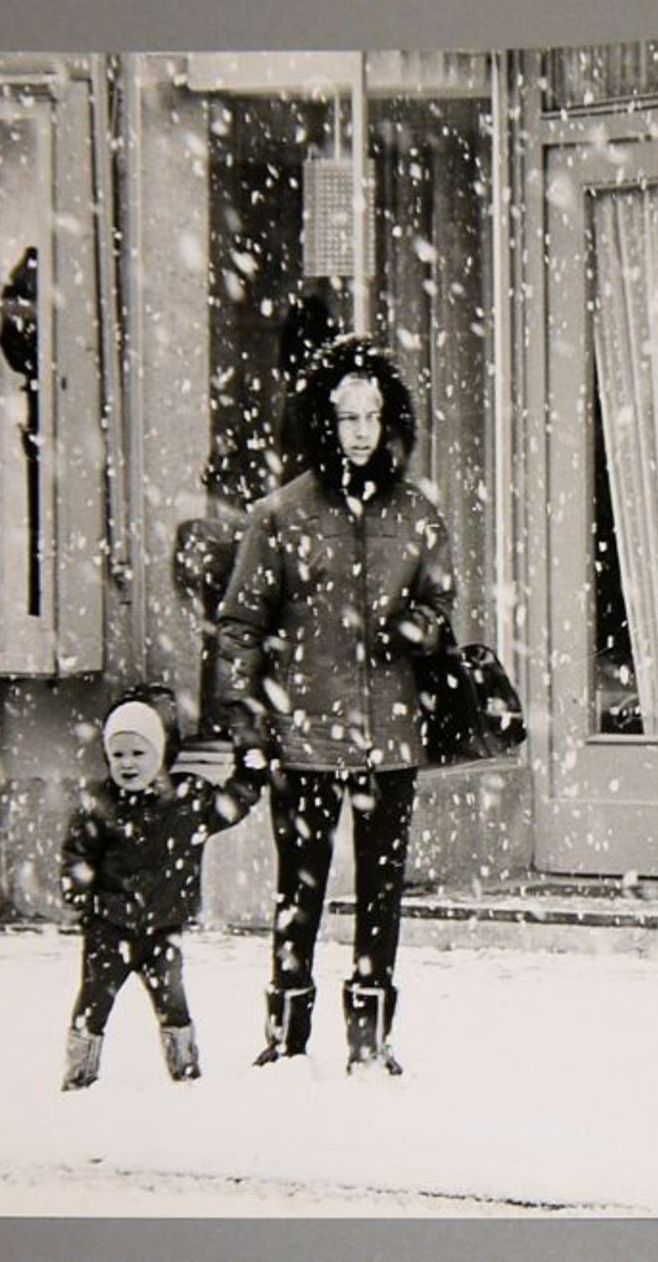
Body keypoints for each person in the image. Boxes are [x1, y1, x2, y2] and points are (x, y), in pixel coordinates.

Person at [215, 334, 454, 1075]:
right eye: (346, 416)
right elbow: (240, 627)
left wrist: (424, 626)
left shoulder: (417, 513)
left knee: (384, 889)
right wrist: (249, 723)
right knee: (300, 886)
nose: (359, 431)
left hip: (390, 738)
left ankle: (369, 1034)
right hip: (303, 735)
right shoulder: (279, 515)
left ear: (390, 422)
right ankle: (287, 1033)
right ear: (323, 420)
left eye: (372, 416)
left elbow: (442, 607)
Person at [58, 687, 263, 1090]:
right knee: (94, 1001)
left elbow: (232, 804)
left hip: (163, 927)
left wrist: (251, 769)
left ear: (161, 754)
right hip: (109, 926)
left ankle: (185, 1071)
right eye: (118, 755)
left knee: (173, 1001)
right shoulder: (100, 805)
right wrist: (79, 895)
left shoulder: (187, 801)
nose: (128, 764)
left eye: (139, 753)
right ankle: (79, 1074)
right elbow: (77, 853)